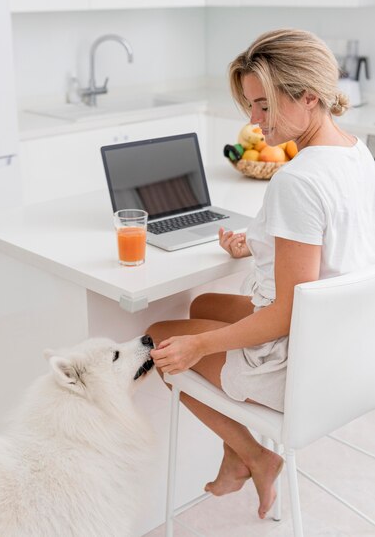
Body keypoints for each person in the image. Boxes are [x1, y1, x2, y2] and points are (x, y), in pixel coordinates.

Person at [146, 28, 375, 519]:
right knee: (203, 306)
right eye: (251, 105)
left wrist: (197, 347)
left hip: (296, 364)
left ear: (309, 97)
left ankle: (256, 456)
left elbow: (286, 313)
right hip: (347, 356)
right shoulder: (356, 153)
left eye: (264, 106)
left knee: (160, 341)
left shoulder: (298, 179)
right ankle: (238, 452)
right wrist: (259, 242)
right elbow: (334, 248)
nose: (253, 120)